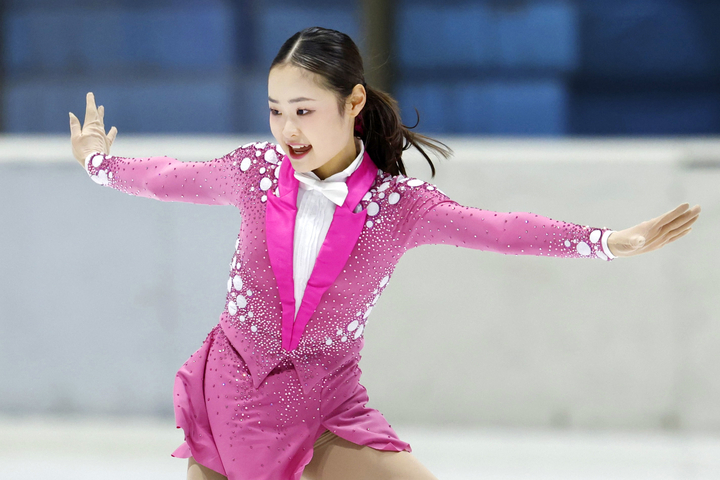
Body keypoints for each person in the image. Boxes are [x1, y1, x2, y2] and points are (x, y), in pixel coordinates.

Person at [69, 27, 700, 480]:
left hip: (326, 404)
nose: (287, 130)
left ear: (353, 103)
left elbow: (501, 229)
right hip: (233, 391)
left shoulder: (399, 207)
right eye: (276, 111)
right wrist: (98, 161)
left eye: (304, 110)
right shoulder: (254, 172)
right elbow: (165, 177)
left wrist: (605, 242)